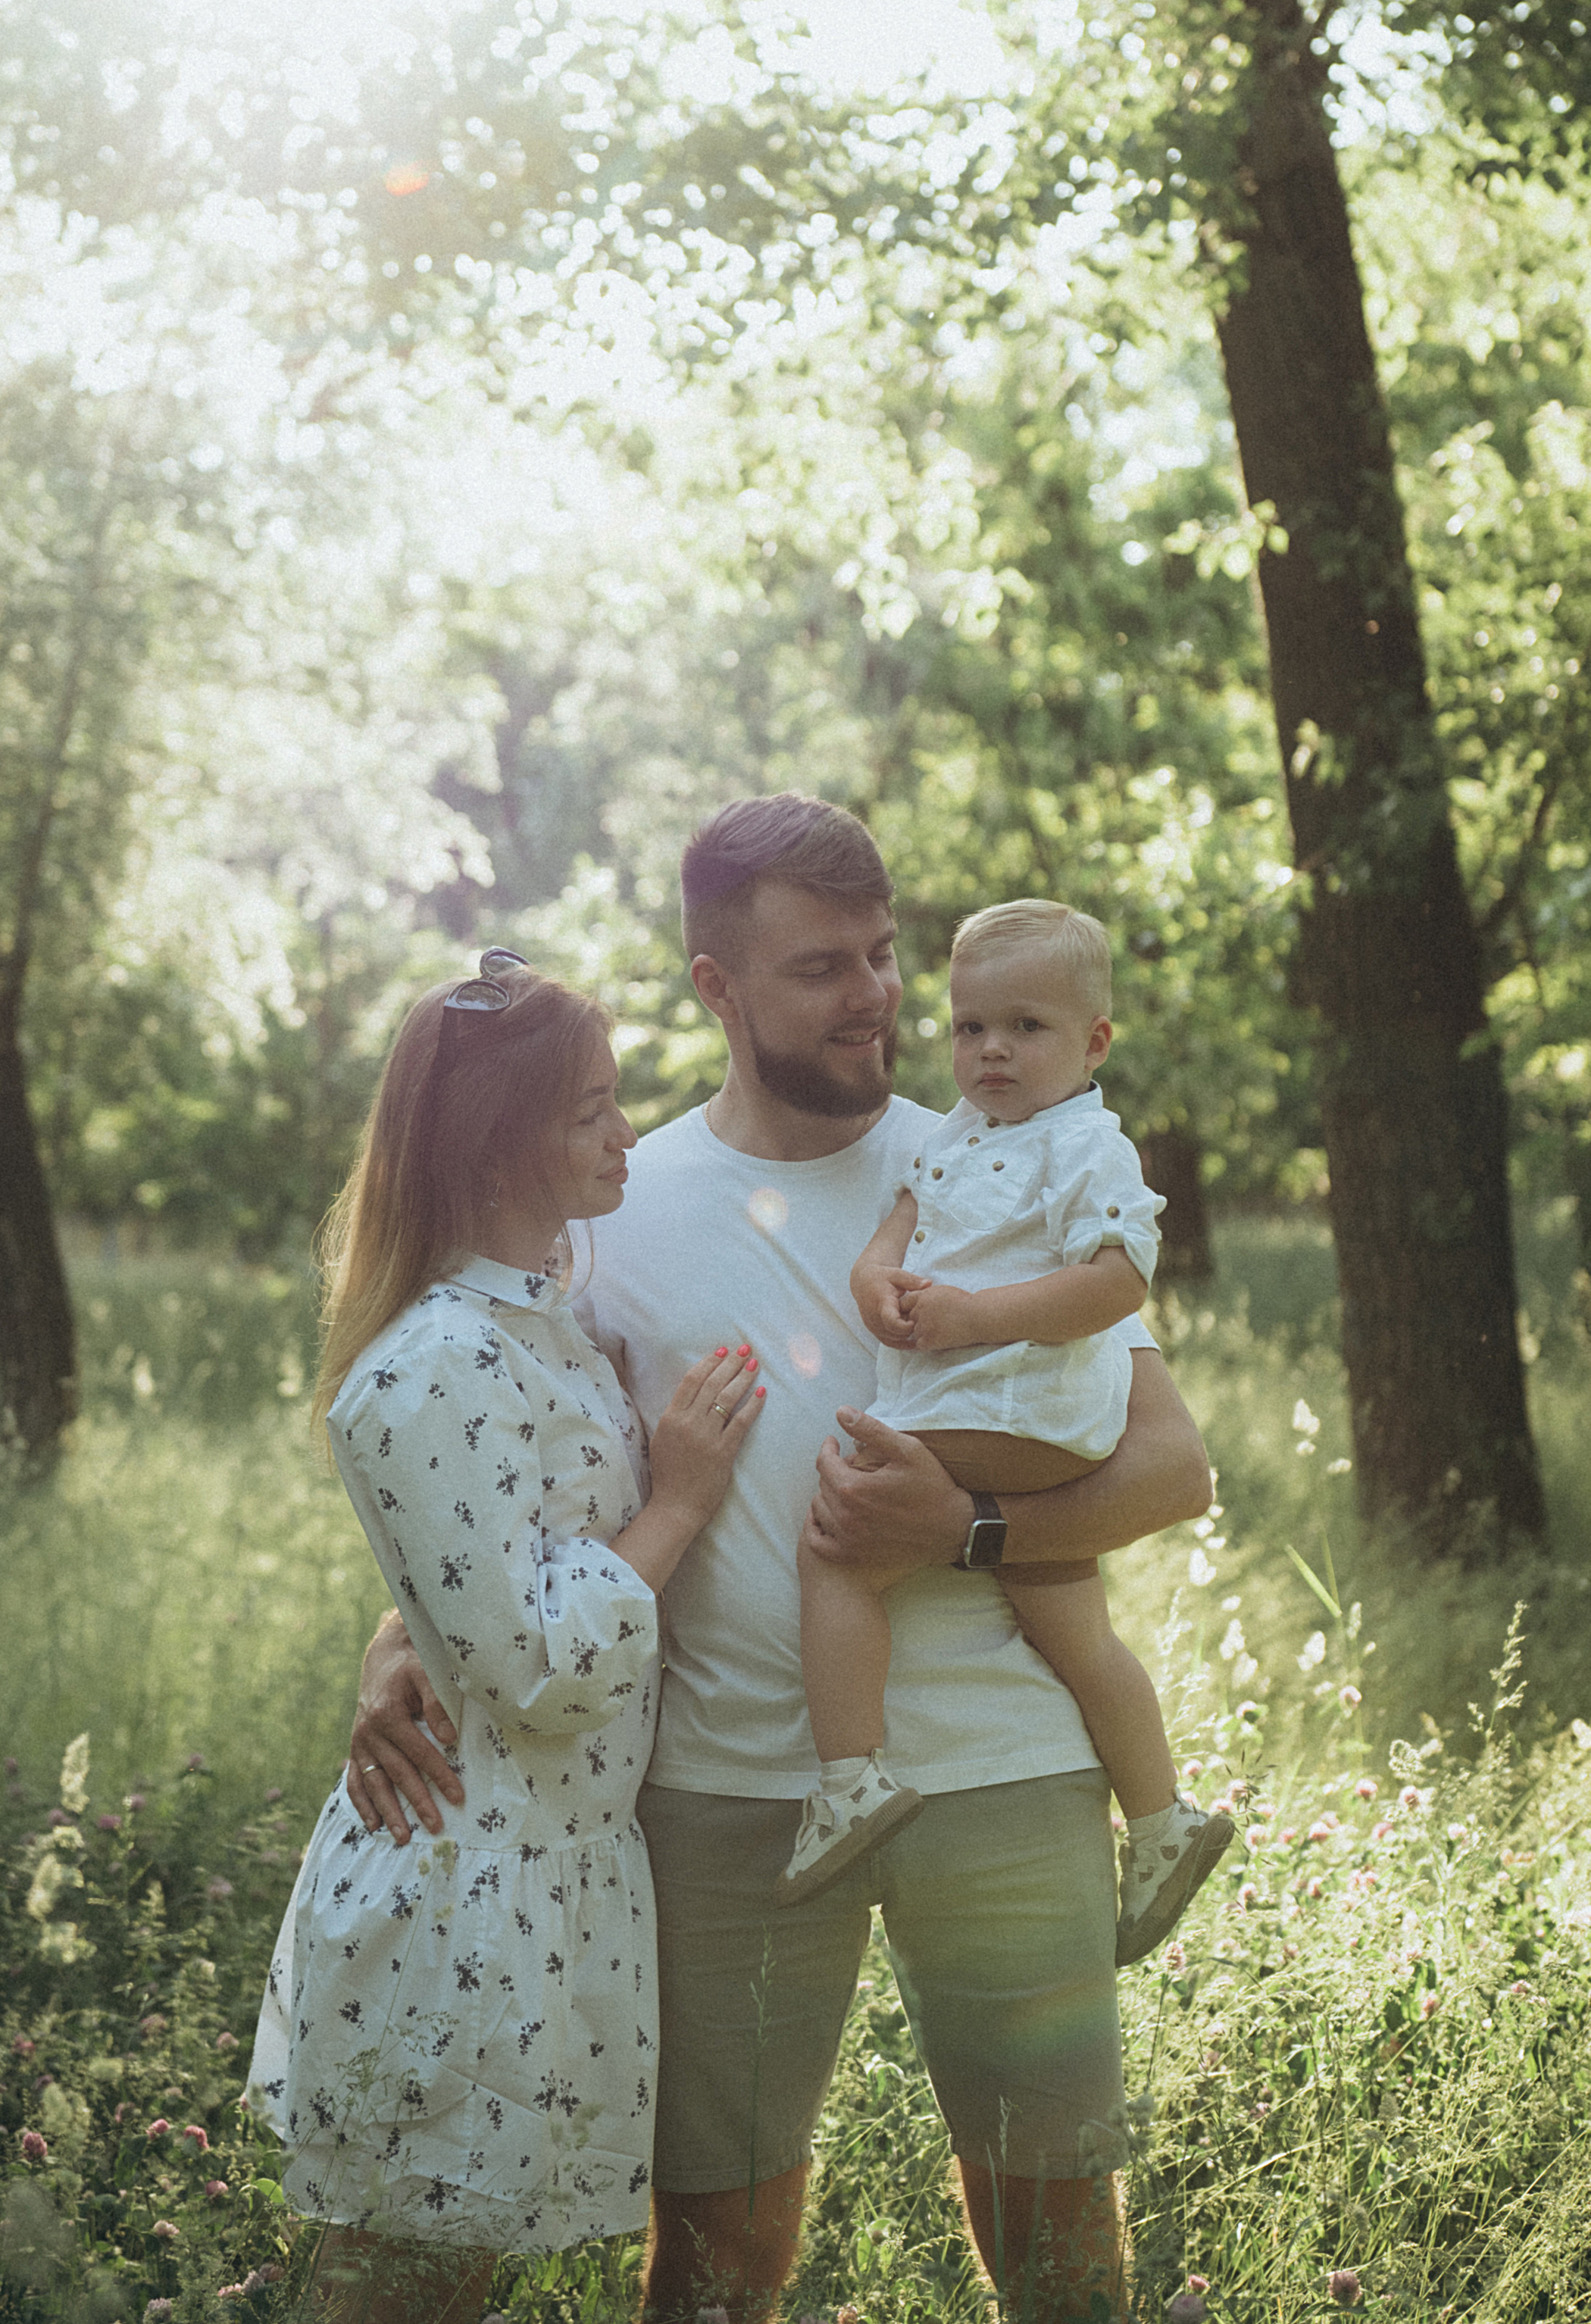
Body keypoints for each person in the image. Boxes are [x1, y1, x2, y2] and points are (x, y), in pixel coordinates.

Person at [345, 801, 1213, 2324]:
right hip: (725, 1789)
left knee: (1060, 2241)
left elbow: (1166, 1466)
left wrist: (965, 1530)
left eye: (881, 956)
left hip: (1002, 1771)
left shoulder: (1006, 1164)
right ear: (713, 986)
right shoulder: (611, 1206)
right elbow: (521, 1478)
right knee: (718, 2254)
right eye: (819, 967)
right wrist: (399, 1637)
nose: (872, 996)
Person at [245, 949, 764, 2324]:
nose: (626, 1132)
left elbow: (471, 1572)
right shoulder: (432, 1365)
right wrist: (684, 1501)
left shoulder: (540, 1328)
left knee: (444, 2277)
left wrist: (399, 1637)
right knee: (401, 2285)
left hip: (543, 1879)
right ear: (494, 1145)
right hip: (465, 1884)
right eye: (591, 1108)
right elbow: (533, 1664)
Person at [782, 896, 1233, 1963]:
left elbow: (1119, 1281)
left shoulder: (1086, 1146)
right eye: (971, 1026)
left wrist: (972, 1319)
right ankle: (1165, 1820)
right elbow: (894, 1236)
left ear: (1094, 1042)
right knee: (1072, 1624)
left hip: (1002, 1404)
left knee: (837, 1547)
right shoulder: (960, 1133)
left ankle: (851, 1779)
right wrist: (872, 1285)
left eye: (1025, 1028)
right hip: (1012, 1420)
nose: (991, 1051)